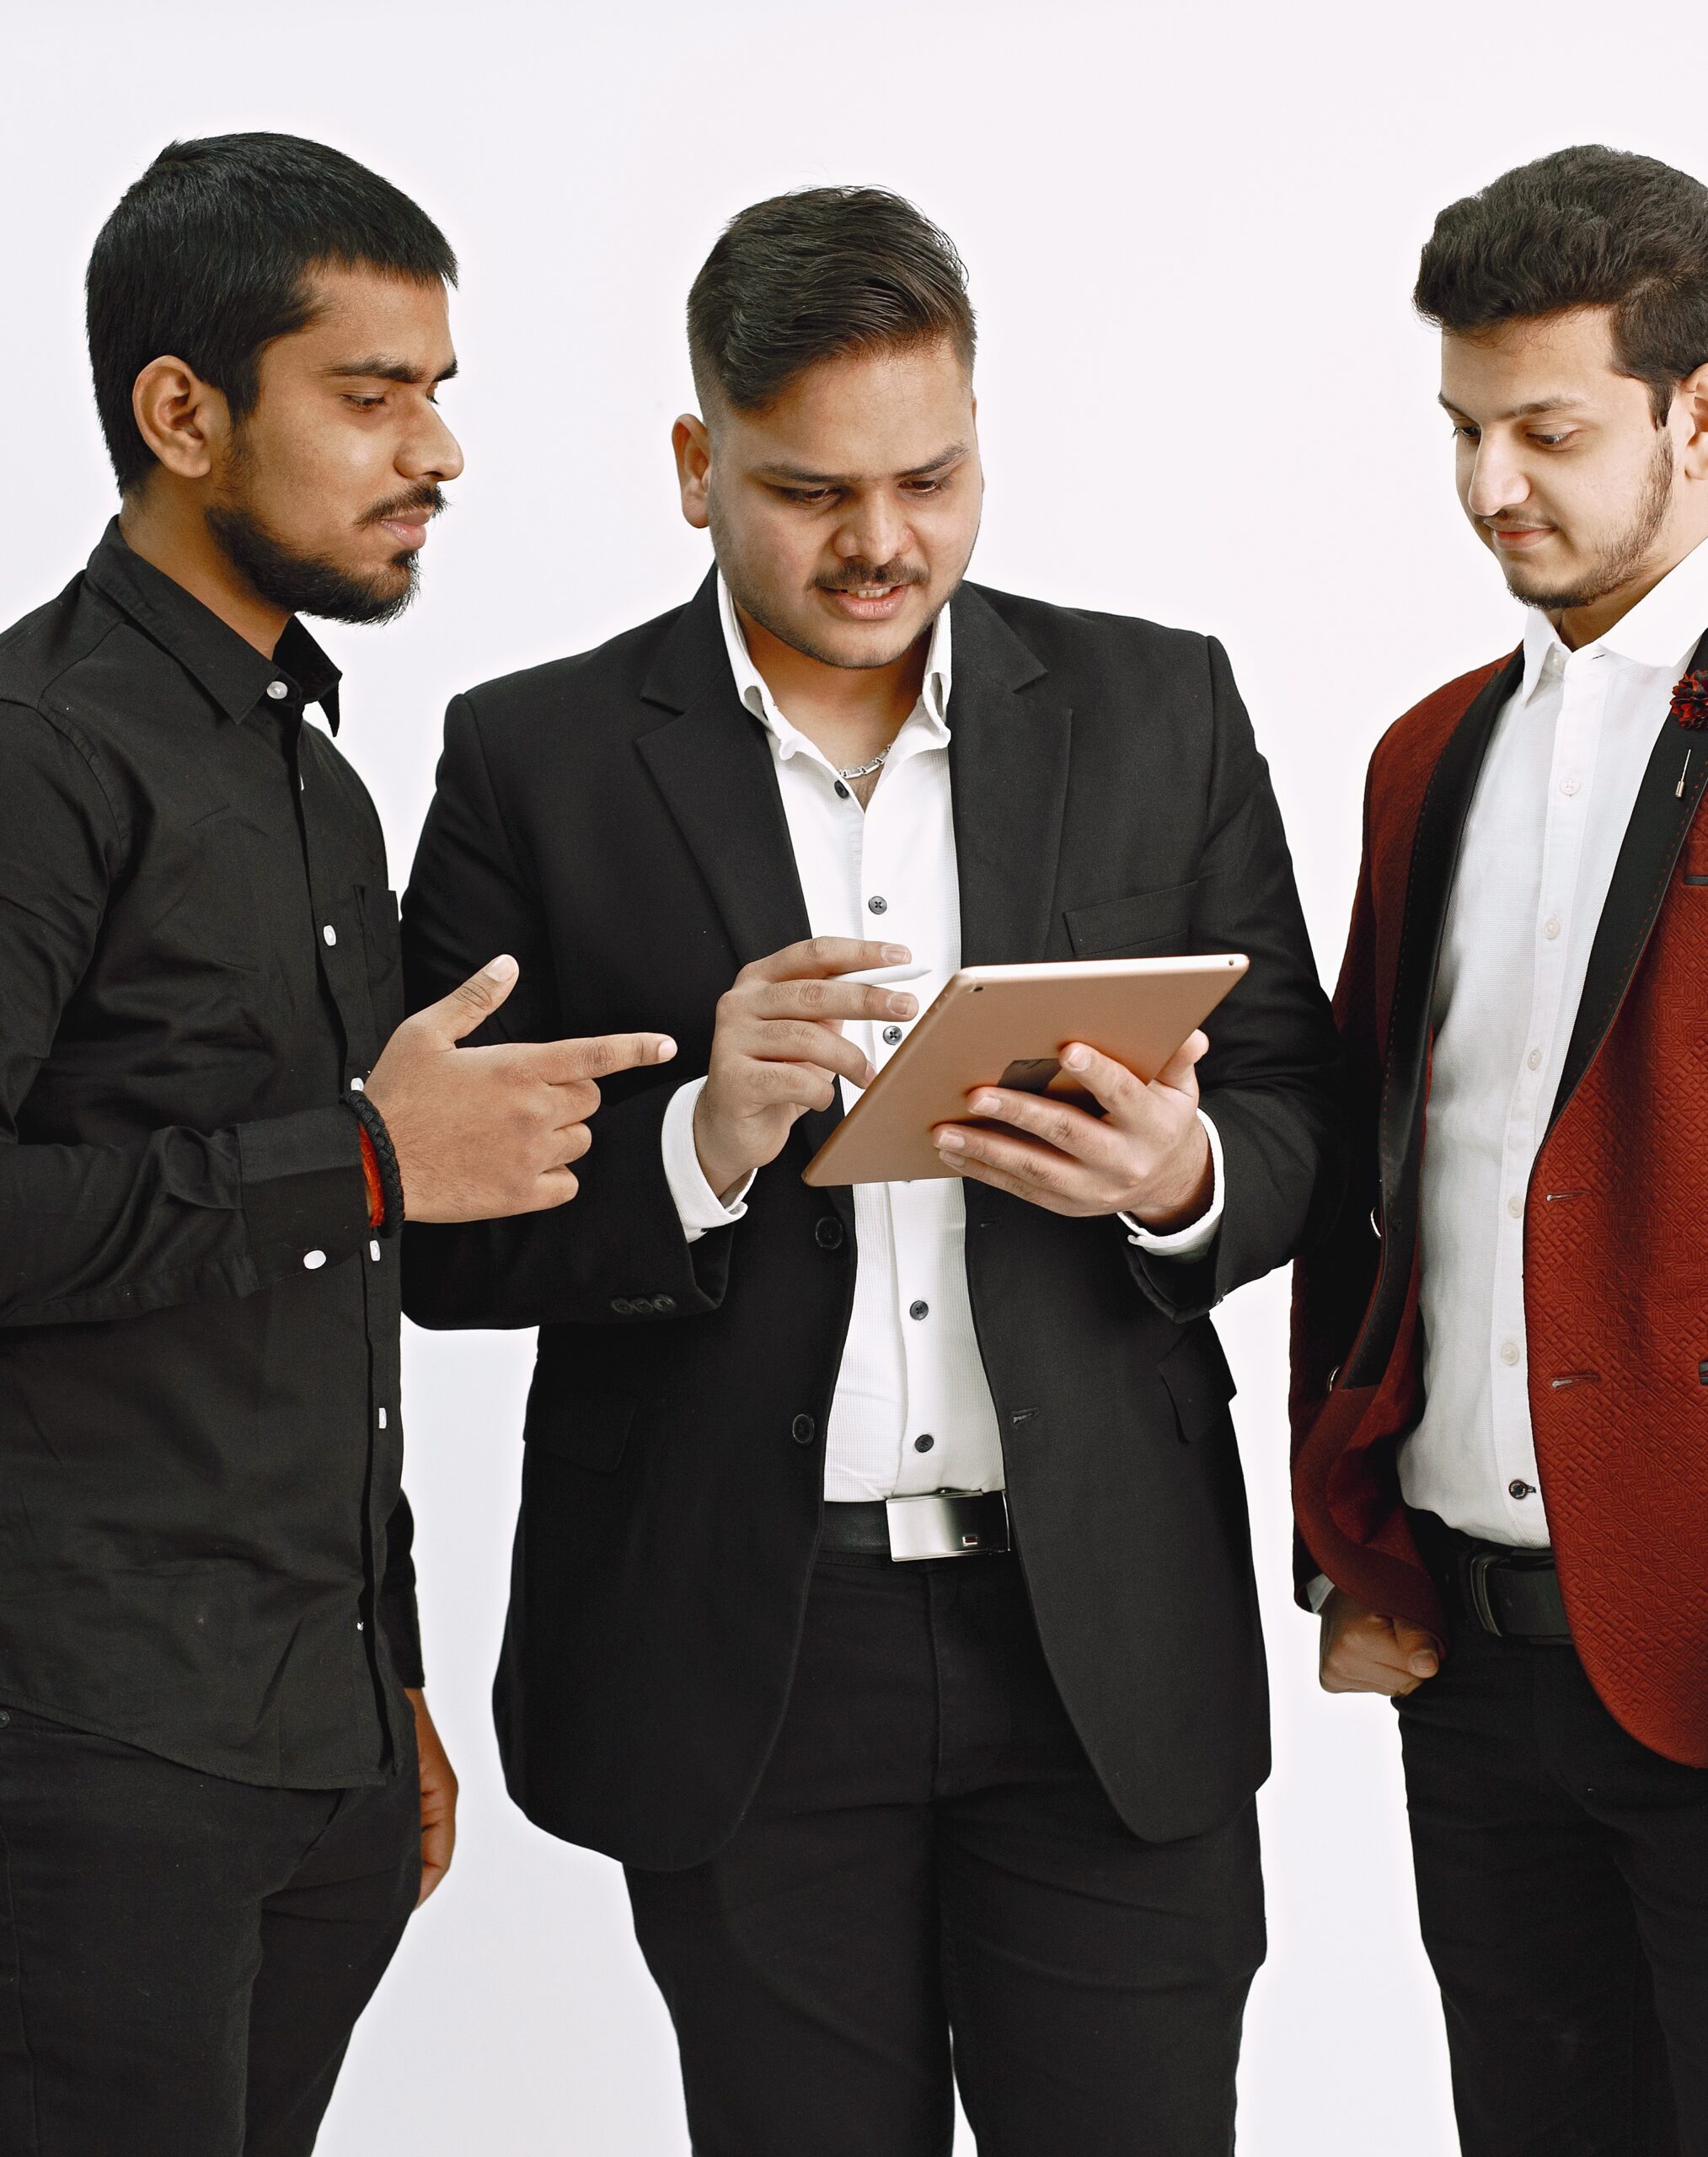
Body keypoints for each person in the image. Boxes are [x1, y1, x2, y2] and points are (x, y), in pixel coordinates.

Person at [404, 185, 1340, 2156]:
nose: (882, 540)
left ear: (981, 437)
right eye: (812, 490)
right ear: (697, 466)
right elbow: (434, 1240)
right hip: (740, 1651)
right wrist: (695, 1142)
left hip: (1102, 1638)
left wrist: (1176, 1172)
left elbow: (1300, 1119)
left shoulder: (1159, 704)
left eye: (931, 477)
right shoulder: (532, 759)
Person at [0, 133, 672, 2157]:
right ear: (182, 412)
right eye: (372, 396)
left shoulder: (318, 781)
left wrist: (386, 1676)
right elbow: (334, 1187)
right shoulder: (38, 752)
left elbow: (320, 1293)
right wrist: (365, 1160)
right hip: (86, 1743)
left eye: (438, 391)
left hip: (317, 1738)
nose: (437, 451)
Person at [1293, 145, 1708, 2153]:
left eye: (1548, 431)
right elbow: (1377, 1179)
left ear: (1696, 413)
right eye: (1463, 430)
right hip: (1473, 1662)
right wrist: (1350, 1534)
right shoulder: (1429, 750)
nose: (1489, 485)